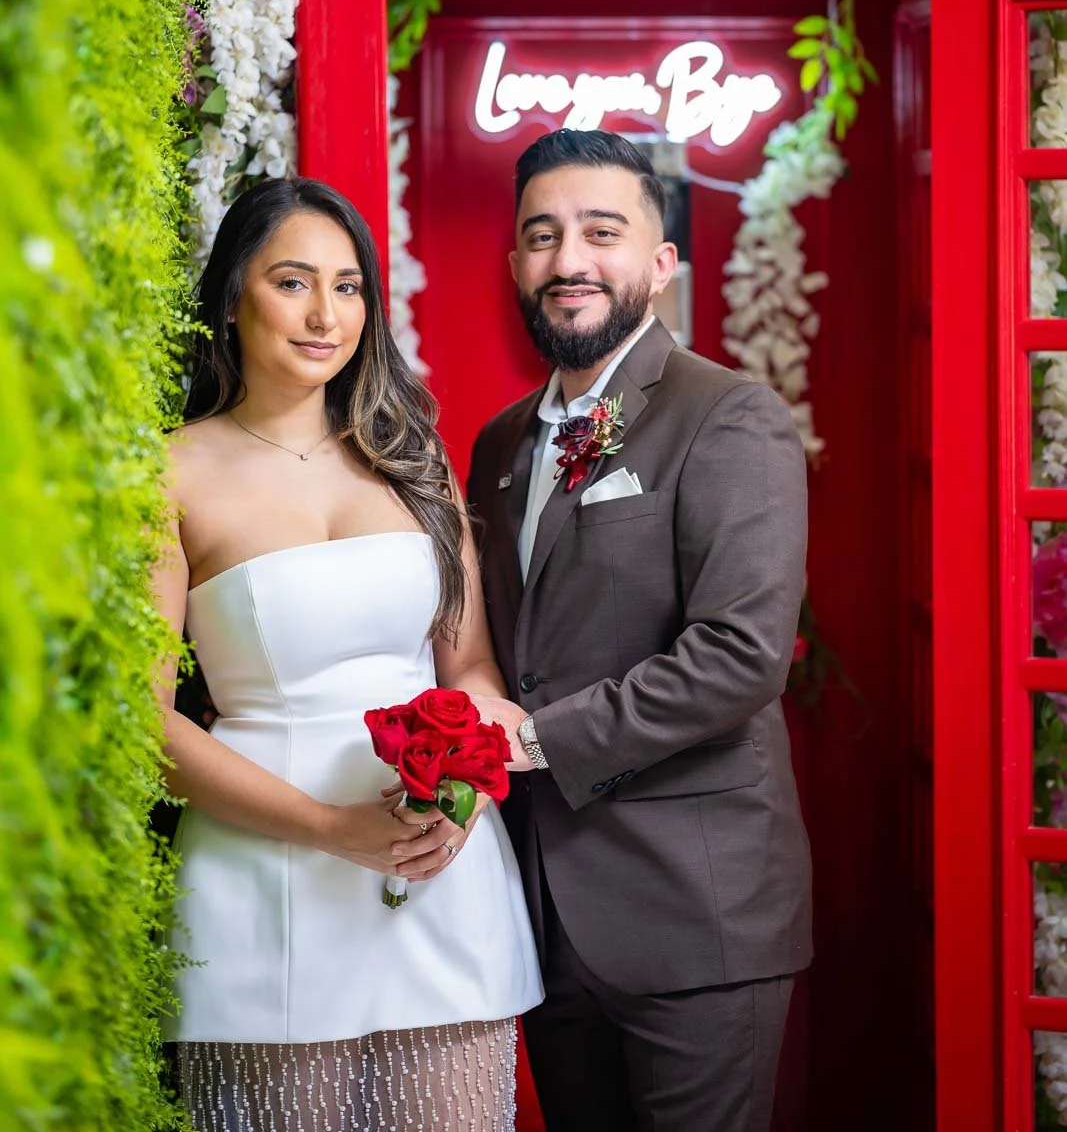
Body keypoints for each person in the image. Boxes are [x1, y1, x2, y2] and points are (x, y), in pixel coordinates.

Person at [155, 176, 542, 1132]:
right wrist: (333, 828)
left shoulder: (413, 460)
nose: (327, 315)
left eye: (349, 285)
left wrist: (466, 793)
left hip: (437, 866)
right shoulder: (166, 470)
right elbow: (141, 720)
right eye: (292, 282)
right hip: (261, 875)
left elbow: (471, 675)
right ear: (231, 294)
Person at [467, 129, 811, 1132]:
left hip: (695, 916)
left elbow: (740, 654)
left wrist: (529, 740)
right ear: (514, 266)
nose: (567, 259)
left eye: (599, 231)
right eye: (541, 235)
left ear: (659, 264)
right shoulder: (496, 443)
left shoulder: (727, 415)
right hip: (543, 912)